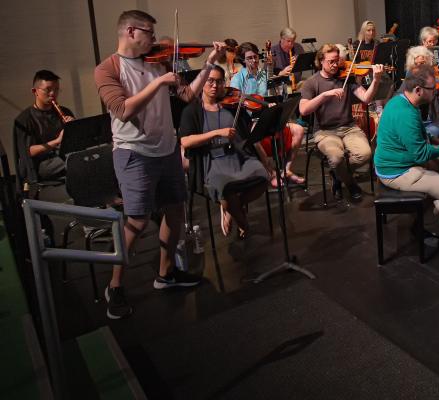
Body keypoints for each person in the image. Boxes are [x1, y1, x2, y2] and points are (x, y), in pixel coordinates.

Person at [94, 10, 220, 319]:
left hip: (166, 150)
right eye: (150, 32)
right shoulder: (106, 69)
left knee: (175, 210)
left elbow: (188, 94)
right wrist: (159, 82)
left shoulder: (158, 63)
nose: (155, 38)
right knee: (136, 221)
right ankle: (115, 286)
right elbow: (123, 111)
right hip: (134, 153)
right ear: (132, 32)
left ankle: (165, 274)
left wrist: (209, 65)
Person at [178, 66, 271, 238]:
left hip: (239, 158)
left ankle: (229, 208)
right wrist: (215, 133)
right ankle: (243, 223)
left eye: (219, 81)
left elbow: (250, 136)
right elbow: (185, 141)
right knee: (225, 187)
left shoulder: (233, 106)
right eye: (210, 81)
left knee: (262, 178)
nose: (215, 85)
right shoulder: (192, 111)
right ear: (202, 84)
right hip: (213, 162)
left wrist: (264, 159)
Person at [374, 65, 439, 244]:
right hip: (396, 171)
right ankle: (426, 227)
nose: (436, 92)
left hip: (400, 161)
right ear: (418, 90)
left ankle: (427, 211)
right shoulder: (406, 113)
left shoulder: (402, 100)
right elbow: (420, 155)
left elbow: (418, 135)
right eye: (433, 89)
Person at [298, 44, 384, 201]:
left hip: (349, 128)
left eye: (337, 61)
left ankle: (337, 174)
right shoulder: (311, 83)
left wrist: (376, 80)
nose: (335, 65)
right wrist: (325, 95)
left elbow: (366, 98)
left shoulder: (347, 76)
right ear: (320, 61)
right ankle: (351, 185)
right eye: (331, 61)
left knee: (365, 154)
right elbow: (303, 110)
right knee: (336, 158)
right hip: (324, 131)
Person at [231, 42, 307, 186]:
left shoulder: (264, 74)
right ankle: (271, 172)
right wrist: (245, 101)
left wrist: (275, 95)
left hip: (269, 116)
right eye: (249, 58)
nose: (254, 61)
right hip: (251, 120)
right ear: (243, 60)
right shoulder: (237, 79)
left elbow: (274, 93)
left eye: (255, 57)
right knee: (254, 134)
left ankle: (286, 170)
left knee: (299, 129)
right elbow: (235, 101)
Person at [13, 70, 75, 188]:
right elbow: (28, 151)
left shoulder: (65, 111)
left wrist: (74, 128)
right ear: (35, 91)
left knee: (90, 156)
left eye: (56, 89)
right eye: (48, 89)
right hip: (41, 165)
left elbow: (78, 142)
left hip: (63, 156)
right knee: (75, 162)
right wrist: (57, 141)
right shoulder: (25, 119)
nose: (53, 93)